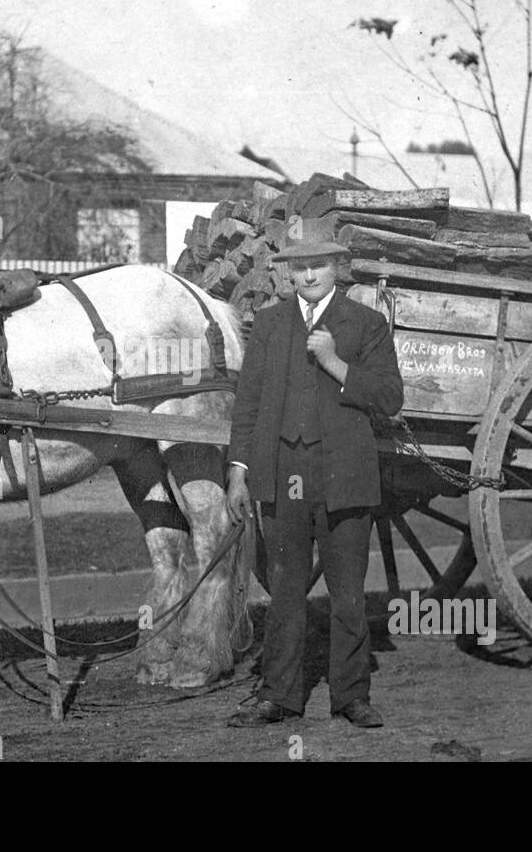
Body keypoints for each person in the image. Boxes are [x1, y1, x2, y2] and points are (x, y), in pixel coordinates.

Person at [225, 240, 404, 728]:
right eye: (299, 268)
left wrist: (334, 362)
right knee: (285, 589)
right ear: (288, 275)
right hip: (284, 475)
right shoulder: (269, 324)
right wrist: (238, 469)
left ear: (337, 269)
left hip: (344, 476)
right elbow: (249, 403)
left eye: (317, 266)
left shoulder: (366, 324)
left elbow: (389, 397)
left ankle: (351, 696)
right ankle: (278, 696)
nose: (307, 277)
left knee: (348, 591)